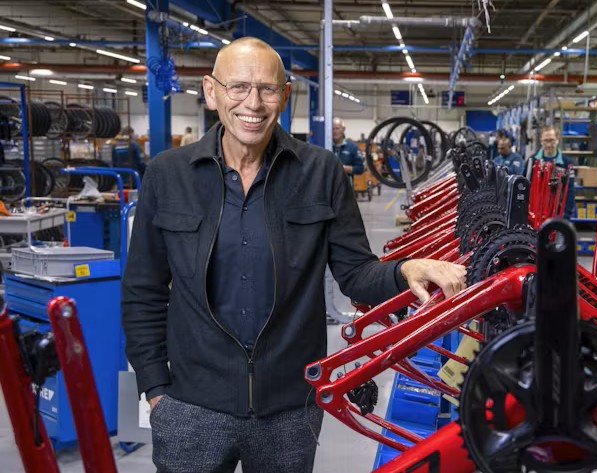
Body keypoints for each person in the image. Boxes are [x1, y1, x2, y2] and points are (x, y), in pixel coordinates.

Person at [121, 37, 466, 473]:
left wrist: (407, 269)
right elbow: (143, 290)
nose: (253, 103)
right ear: (212, 92)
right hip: (191, 406)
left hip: (289, 409)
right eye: (238, 87)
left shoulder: (320, 172)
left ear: (285, 96)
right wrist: (156, 389)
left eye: (267, 89)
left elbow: (356, 273)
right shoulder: (168, 174)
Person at [526, 125, 576, 219]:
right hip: (534, 213)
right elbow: (525, 186)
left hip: (558, 213)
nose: (548, 144)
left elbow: (570, 190)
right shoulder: (532, 161)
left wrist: (566, 213)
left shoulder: (566, 163)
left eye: (551, 140)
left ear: (557, 139)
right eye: (546, 140)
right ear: (541, 141)